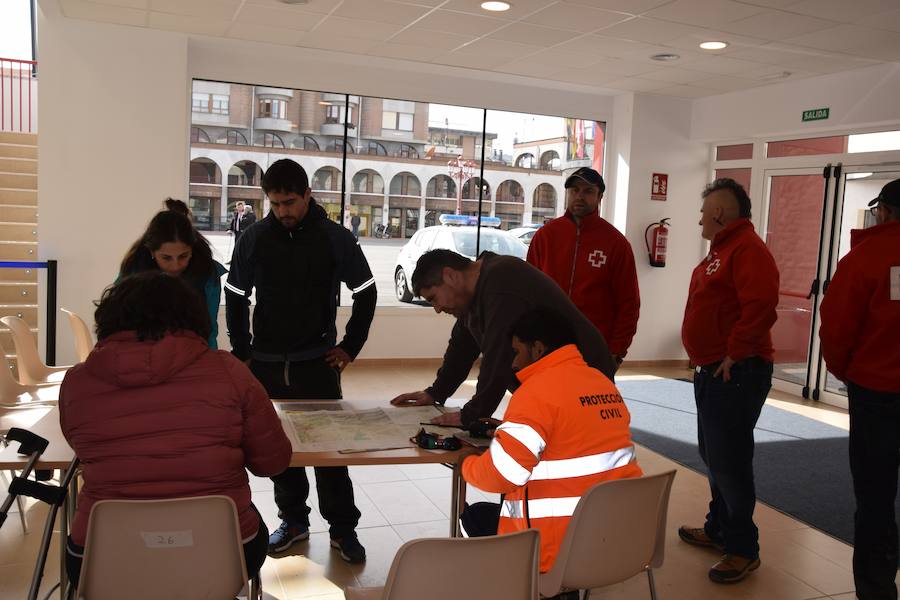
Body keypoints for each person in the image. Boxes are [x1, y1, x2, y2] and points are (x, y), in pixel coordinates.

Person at [59, 272, 291, 588]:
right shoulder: (229, 371)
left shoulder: (77, 382)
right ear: (192, 317)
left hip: (101, 555)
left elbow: (83, 448)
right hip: (225, 548)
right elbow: (272, 463)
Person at [225, 158, 376, 563]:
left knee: (330, 454)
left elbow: (366, 290)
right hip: (267, 364)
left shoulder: (335, 238)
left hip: (317, 363)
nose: (283, 212)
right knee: (281, 451)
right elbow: (236, 296)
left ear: (308, 194)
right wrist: (242, 351)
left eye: (290, 201)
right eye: (274, 204)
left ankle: (343, 530)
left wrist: (350, 346)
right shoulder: (254, 238)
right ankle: (293, 522)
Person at [461, 307, 642, 577]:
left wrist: (466, 463)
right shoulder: (602, 383)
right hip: (616, 536)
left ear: (537, 348)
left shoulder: (535, 393)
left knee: (473, 516)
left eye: (517, 351)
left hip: (554, 550)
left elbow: (500, 476)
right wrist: (513, 430)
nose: (513, 364)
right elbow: (577, 433)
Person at [678, 178, 779, 584]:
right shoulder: (722, 250)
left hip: (737, 372)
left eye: (703, 212)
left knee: (730, 462)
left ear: (719, 213)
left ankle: (742, 548)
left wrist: (735, 351)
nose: (700, 219)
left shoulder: (748, 249)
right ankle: (719, 528)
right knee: (713, 454)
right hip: (714, 371)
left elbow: (762, 305)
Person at [390, 249, 617, 427]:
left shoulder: (501, 281)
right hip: (555, 387)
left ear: (450, 276)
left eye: (433, 299)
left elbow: (498, 355)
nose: (437, 309)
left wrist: (472, 415)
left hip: (584, 382)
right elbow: (461, 347)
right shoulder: (473, 294)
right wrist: (435, 393)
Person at [819, 178, 900, 600]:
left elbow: (836, 326)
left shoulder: (866, 258)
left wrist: (845, 371)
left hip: (877, 394)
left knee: (875, 499)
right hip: (876, 389)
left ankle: (877, 590)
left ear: (883, 211)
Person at [527, 167, 640, 366]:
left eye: (587, 191)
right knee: (547, 397)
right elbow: (528, 292)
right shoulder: (545, 236)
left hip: (594, 347)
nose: (579, 196)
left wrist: (616, 350)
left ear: (600, 196)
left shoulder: (616, 243)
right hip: (546, 345)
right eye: (574, 190)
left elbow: (628, 303)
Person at [119, 207, 226, 348]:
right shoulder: (132, 273)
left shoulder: (207, 275)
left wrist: (210, 361)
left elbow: (209, 330)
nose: (175, 266)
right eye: (166, 258)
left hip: (192, 353)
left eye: (183, 256)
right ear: (152, 252)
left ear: (192, 250)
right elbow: (119, 327)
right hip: (140, 352)